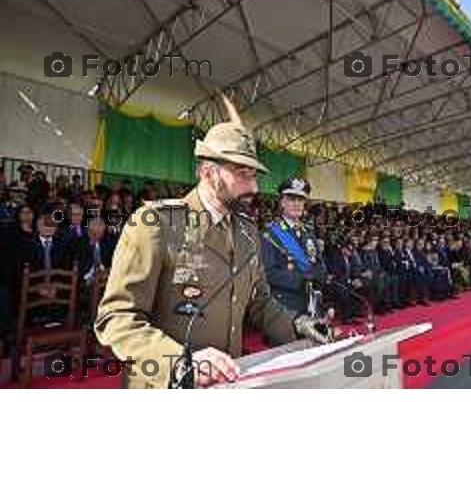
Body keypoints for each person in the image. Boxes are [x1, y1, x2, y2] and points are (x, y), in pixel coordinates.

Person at [95, 96, 329, 389]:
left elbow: (260, 303)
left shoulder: (247, 232)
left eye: (254, 175)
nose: (254, 187)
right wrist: (180, 361)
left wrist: (298, 324)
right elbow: (116, 318)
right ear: (208, 172)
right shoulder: (156, 224)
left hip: (227, 382)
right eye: (243, 174)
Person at [261, 177, 326, 315]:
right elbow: (268, 272)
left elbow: (319, 263)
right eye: (291, 199)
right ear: (282, 202)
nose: (296, 204)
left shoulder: (308, 232)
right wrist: (301, 281)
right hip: (285, 307)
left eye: (300, 200)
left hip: (311, 304)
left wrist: (319, 277)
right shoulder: (270, 234)